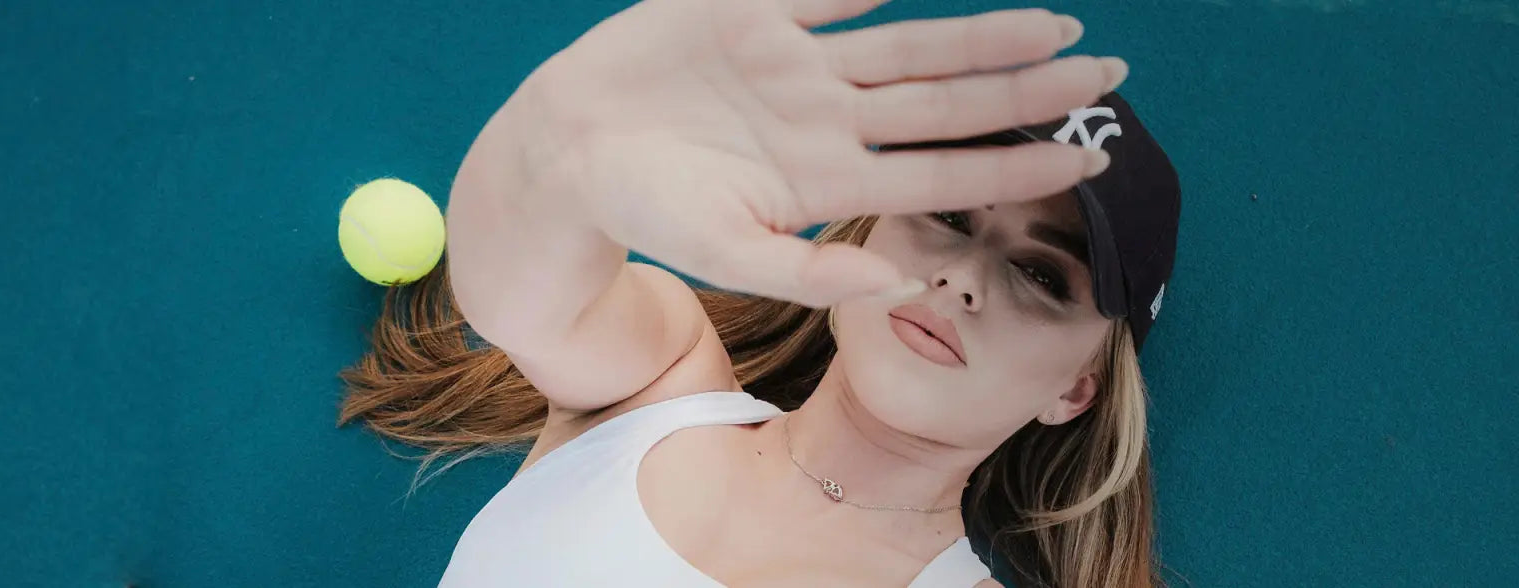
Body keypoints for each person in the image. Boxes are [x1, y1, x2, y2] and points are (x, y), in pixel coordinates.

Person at [340, 0, 1181, 586]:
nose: (961, 278)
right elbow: (517, 296)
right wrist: (555, 130)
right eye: (950, 214)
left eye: (1042, 276)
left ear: (1076, 389)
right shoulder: (655, 381)